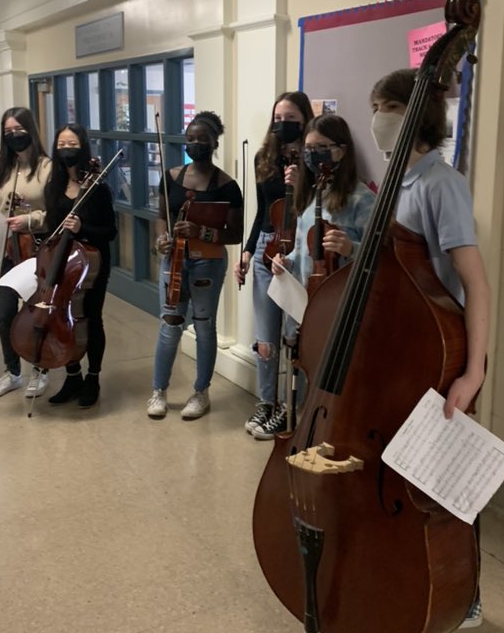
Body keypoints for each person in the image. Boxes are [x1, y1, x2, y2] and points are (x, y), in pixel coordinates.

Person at [369, 67, 491, 628]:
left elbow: (475, 281)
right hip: (402, 342)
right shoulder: (398, 180)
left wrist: (472, 372)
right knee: (405, 471)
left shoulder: (443, 184)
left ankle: (464, 595)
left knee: (446, 481)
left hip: (439, 348)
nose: (375, 120)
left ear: (409, 116)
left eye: (383, 108)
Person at [269, 113, 376, 439]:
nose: (312, 156)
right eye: (308, 149)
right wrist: (284, 261)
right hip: (307, 302)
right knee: (308, 370)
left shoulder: (363, 199)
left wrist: (351, 247)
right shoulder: (311, 196)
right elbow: (304, 253)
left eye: (321, 148)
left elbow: (382, 257)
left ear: (341, 151)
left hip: (342, 307)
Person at [148, 111, 243, 421]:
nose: (196, 143)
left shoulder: (227, 186)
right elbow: (162, 213)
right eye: (191, 139)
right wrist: (161, 237)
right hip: (173, 259)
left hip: (208, 262)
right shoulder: (172, 176)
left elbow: (236, 233)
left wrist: (202, 232)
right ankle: (159, 390)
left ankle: (201, 392)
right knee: (170, 324)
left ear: (215, 142)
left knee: (204, 326)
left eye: (203, 139)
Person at [233, 91, 313, 437]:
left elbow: (313, 209)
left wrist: (300, 183)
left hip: (298, 252)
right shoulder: (265, 157)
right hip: (267, 246)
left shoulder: (313, 158)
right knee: (266, 338)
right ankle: (265, 402)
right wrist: (248, 251)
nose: (283, 124)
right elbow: (262, 211)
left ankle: (289, 406)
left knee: (294, 336)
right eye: (278, 117)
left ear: (304, 120)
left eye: (291, 118)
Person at [0, 107, 52, 399]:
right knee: (4, 314)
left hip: (36, 250)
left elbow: (54, 212)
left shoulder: (46, 168)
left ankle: (40, 370)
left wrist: (29, 220)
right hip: (5, 250)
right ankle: (12, 371)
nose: (14, 136)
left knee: (35, 314)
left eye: (19, 130)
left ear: (30, 130)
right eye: (8, 132)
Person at [43, 124, 117, 408]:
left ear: (82, 147)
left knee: (92, 318)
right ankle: (72, 374)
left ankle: (93, 377)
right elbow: (52, 225)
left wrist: (83, 226)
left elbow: (110, 231)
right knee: (62, 320)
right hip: (63, 262)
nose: (66, 149)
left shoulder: (97, 188)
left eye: (71, 144)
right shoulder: (55, 185)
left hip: (92, 264)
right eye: (61, 145)